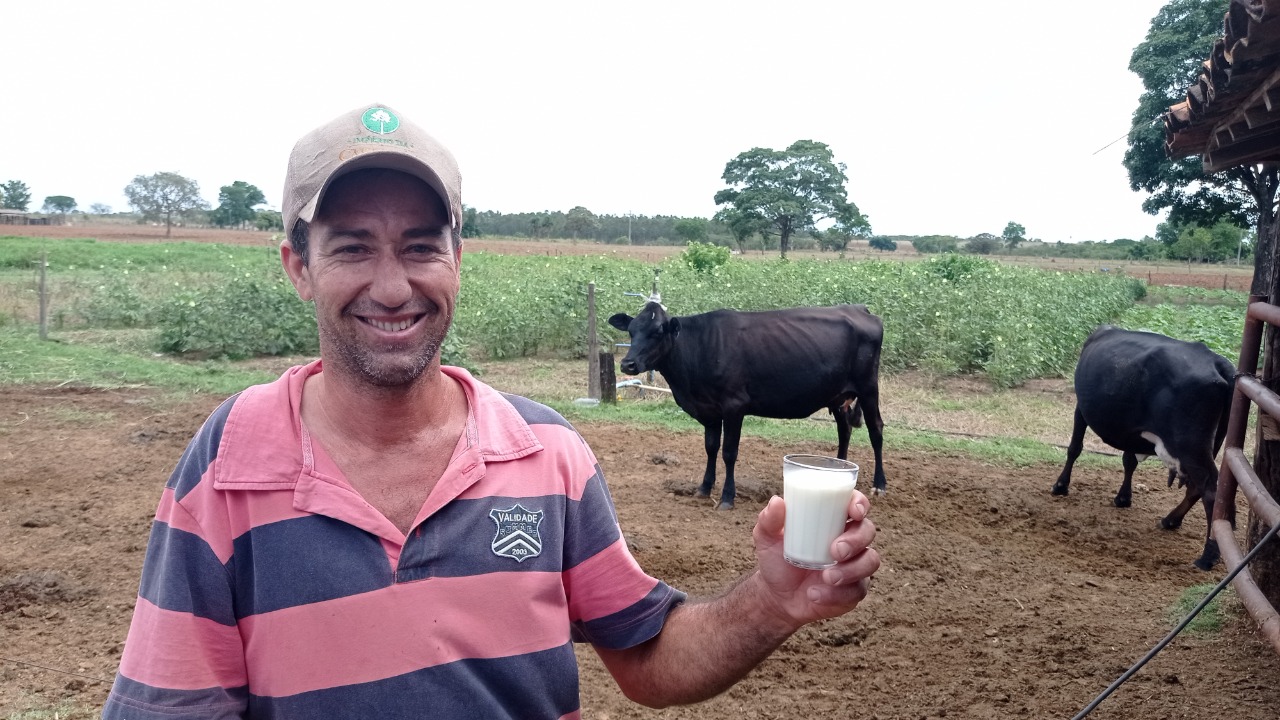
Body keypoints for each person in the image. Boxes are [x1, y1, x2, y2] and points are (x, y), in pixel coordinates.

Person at [101, 103, 880, 719]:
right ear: (297, 267)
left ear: (457, 260)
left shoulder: (545, 451)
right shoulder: (229, 462)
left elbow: (647, 657)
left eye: (419, 245)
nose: (394, 285)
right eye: (350, 248)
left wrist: (773, 600)